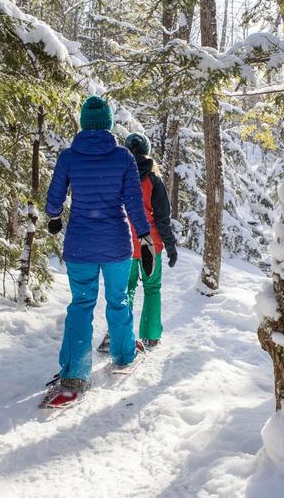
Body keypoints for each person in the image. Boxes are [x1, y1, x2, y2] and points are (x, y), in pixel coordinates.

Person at [40, 96, 156, 408]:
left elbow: (54, 198)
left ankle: (75, 374)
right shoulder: (122, 158)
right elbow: (133, 201)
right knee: (118, 300)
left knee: (81, 305)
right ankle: (122, 356)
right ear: (106, 123)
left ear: (83, 123)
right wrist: (144, 236)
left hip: (80, 244)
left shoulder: (69, 157)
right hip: (117, 243)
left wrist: (53, 217)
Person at [97, 132, 177, 352]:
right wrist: (170, 245)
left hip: (123, 245)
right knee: (152, 288)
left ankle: (116, 335)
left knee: (125, 290)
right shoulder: (153, 181)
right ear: (146, 152)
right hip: (150, 244)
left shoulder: (116, 178)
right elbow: (162, 218)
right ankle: (151, 336)